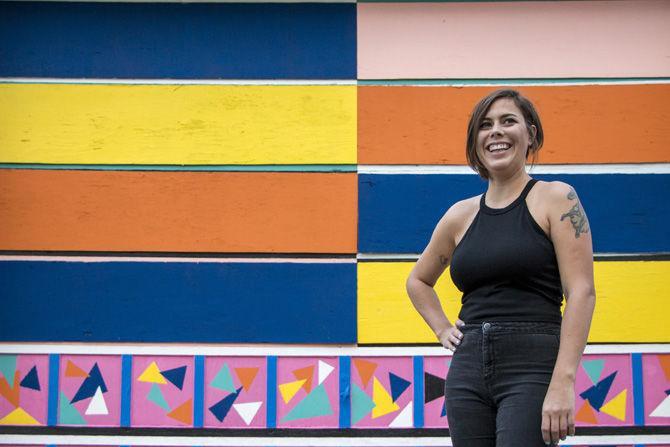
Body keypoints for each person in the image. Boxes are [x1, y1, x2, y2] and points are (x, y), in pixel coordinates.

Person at [406, 89, 595, 446]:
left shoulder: (557, 198)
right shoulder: (459, 215)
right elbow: (418, 280)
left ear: (531, 135)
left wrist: (563, 382)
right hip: (468, 369)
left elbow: (581, 292)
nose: (495, 131)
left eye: (508, 121)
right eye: (485, 125)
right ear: (475, 141)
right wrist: (442, 328)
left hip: (533, 361)